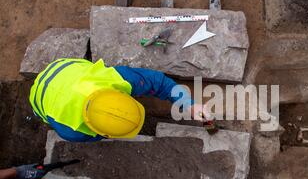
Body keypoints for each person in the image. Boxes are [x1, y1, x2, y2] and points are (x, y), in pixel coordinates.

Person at [29, 58, 208, 142]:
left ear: (120, 95)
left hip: (62, 68)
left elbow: (159, 82)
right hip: (39, 101)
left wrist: (189, 104)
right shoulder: (71, 131)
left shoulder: (115, 79)